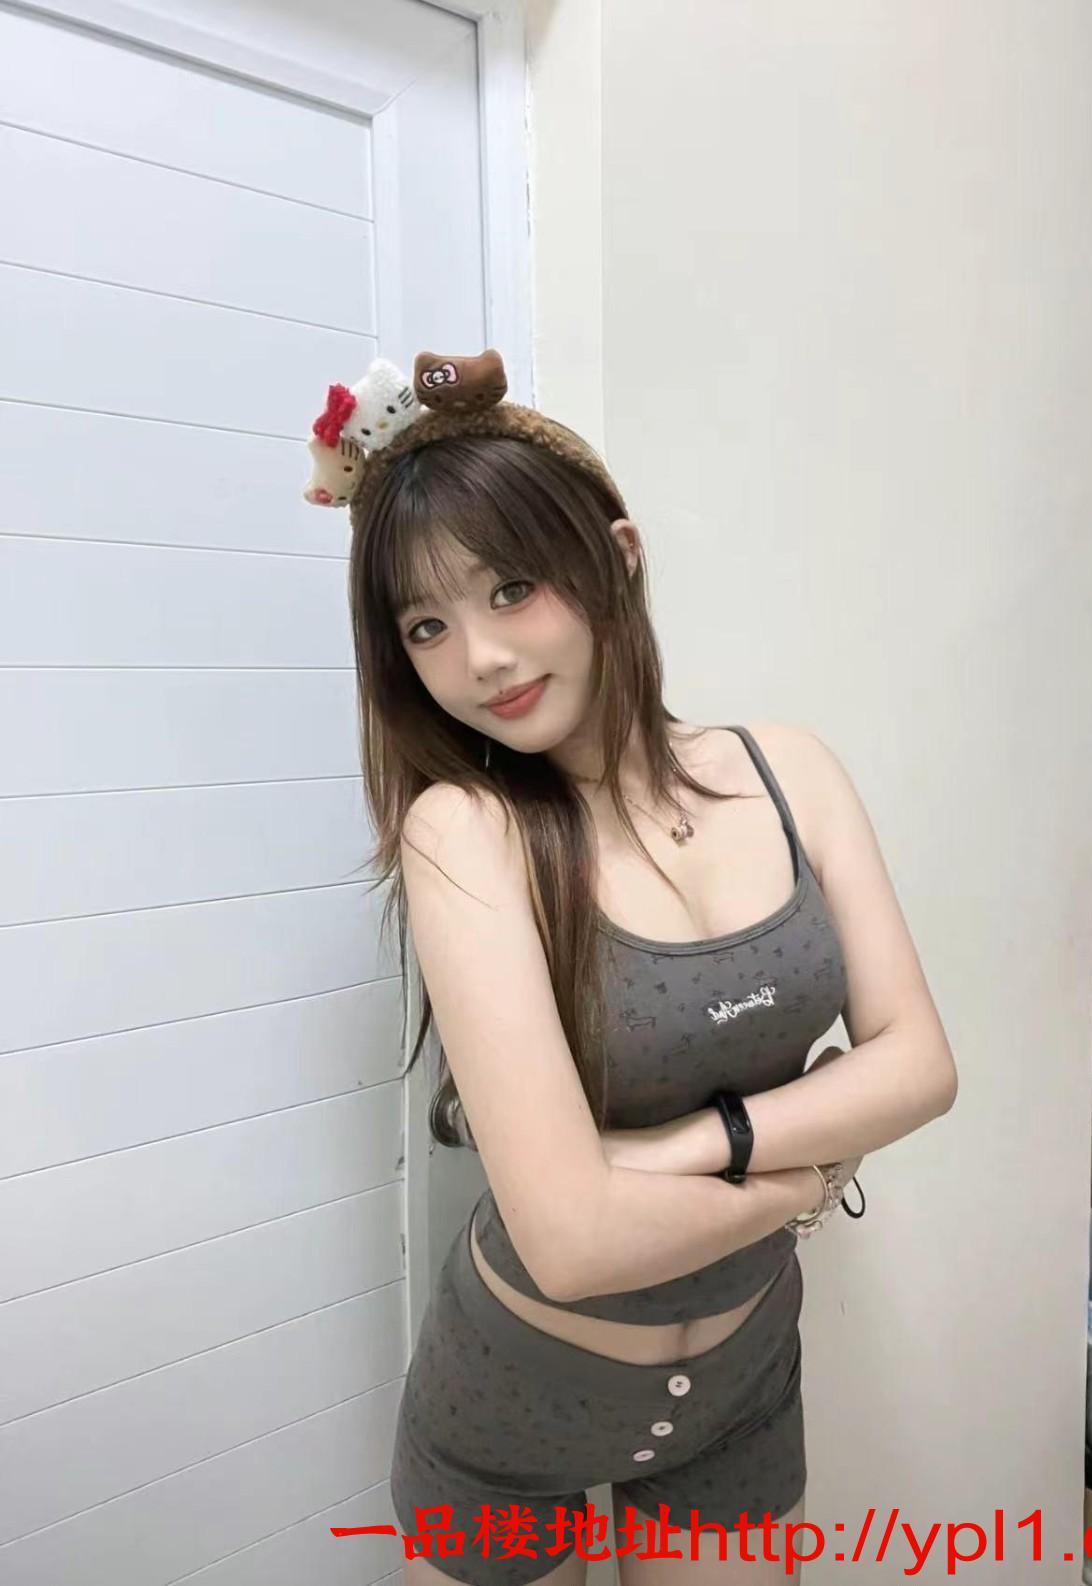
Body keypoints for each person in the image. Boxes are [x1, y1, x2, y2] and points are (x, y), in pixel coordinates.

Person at [303, 347, 958, 1586]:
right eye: (427, 625)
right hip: (515, 1403)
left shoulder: (790, 770)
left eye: (511, 588)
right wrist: (801, 1178)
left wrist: (676, 1150)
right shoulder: (465, 831)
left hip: (745, 1383)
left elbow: (921, 1063)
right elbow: (571, 1243)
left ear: (618, 553)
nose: (481, 657)